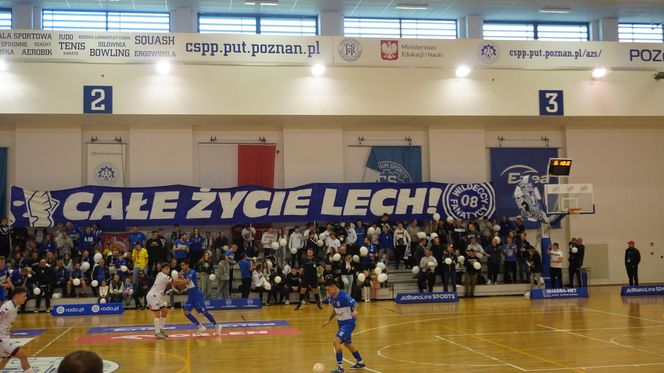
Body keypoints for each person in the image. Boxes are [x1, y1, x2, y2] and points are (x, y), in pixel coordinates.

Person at [322, 278, 367, 373]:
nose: (328, 291)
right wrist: (328, 320)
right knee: (347, 344)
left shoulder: (343, 296)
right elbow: (335, 310)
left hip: (348, 323)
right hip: (341, 323)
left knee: (336, 341)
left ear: (334, 287)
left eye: (328, 289)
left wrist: (355, 310)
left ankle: (340, 368)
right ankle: (360, 362)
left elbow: (355, 304)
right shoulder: (333, 296)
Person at [172, 261, 222, 336]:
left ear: (187, 265)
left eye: (183, 265)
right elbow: (183, 284)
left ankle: (216, 325)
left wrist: (175, 281)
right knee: (186, 312)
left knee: (204, 311)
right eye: (181, 265)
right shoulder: (184, 273)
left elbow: (187, 281)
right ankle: (200, 326)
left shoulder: (192, 272)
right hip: (191, 295)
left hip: (196, 294)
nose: (181, 267)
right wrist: (176, 282)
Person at [0, 288, 34, 373]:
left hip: (5, 336)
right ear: (17, 296)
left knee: (5, 359)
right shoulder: (7, 307)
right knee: (22, 355)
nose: (26, 298)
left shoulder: (16, 305)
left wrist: (10, 327)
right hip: (1, 338)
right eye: (24, 296)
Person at [146, 262, 173, 339]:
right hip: (153, 296)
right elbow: (174, 282)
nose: (168, 270)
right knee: (157, 314)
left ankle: (161, 329)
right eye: (166, 269)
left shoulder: (159, 274)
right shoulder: (164, 276)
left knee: (165, 311)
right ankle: (157, 332)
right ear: (162, 269)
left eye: (169, 268)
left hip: (157, 296)